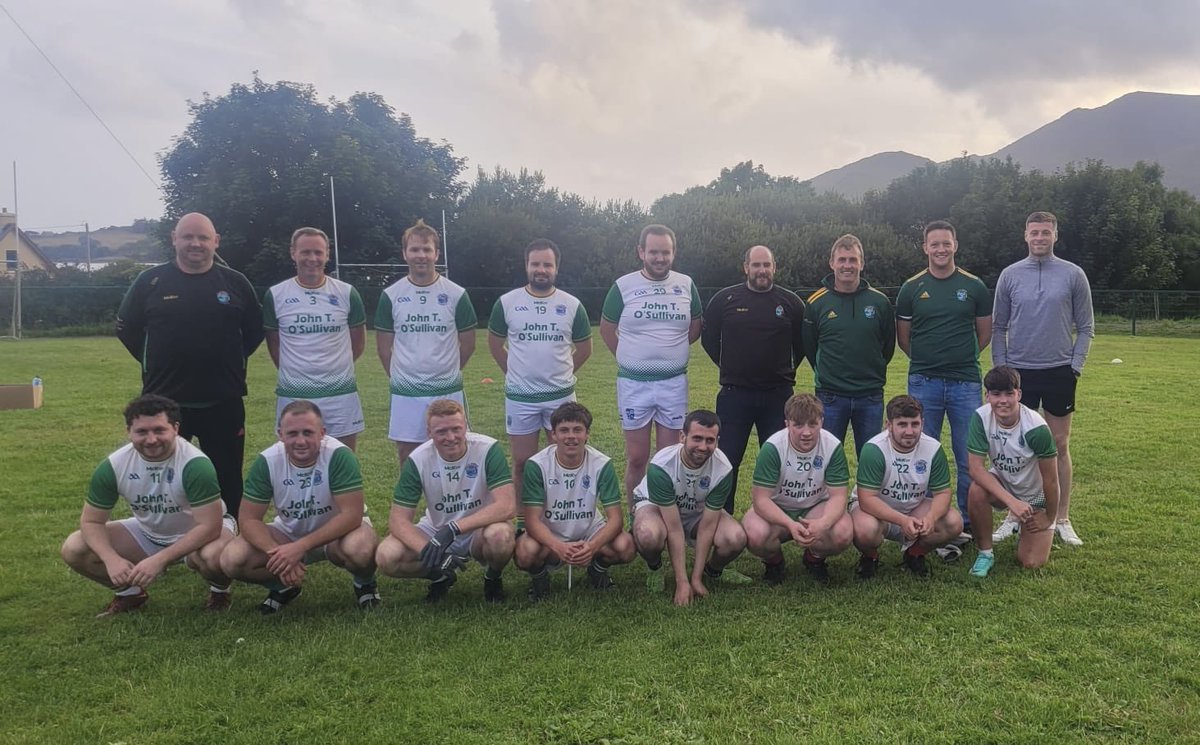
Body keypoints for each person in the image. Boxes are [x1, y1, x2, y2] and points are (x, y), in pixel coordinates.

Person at [116, 212, 264, 517]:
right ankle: (162, 534)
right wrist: (155, 363)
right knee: (162, 475)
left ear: (216, 242)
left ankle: (231, 534)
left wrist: (228, 360)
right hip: (164, 402)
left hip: (223, 400)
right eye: (187, 237)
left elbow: (254, 331)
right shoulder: (151, 281)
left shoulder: (235, 283)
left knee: (227, 475)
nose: (195, 244)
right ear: (174, 238)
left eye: (203, 238)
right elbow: (126, 329)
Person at [60, 395, 236, 616]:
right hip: (150, 533)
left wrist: (159, 560)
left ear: (176, 429)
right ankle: (130, 594)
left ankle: (220, 590)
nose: (151, 439)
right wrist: (111, 559)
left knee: (214, 556)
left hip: (202, 534)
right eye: (142, 432)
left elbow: (210, 526)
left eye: (159, 430)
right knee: (75, 547)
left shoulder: (195, 465)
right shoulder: (114, 465)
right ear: (128, 431)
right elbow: (91, 521)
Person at [992, 210, 1093, 546]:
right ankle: (1012, 513)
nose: (1039, 238)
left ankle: (1062, 517)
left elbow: (1087, 326)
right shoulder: (1009, 275)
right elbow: (998, 326)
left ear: (1055, 235)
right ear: (1025, 235)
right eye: (1034, 233)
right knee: (1016, 447)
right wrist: (1002, 371)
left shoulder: (1073, 274)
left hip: (1059, 371)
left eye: (1045, 233)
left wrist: (1074, 366)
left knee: (1058, 445)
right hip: (1019, 372)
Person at [220, 401, 380, 614]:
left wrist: (300, 547)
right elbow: (248, 519)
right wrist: (277, 553)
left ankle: (365, 582)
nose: (301, 441)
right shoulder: (267, 461)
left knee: (360, 548)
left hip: (338, 534)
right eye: (292, 433)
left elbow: (352, 515)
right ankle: (283, 587)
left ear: (322, 433)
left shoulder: (338, 455)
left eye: (308, 432)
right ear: (280, 434)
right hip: (288, 534)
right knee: (232, 559)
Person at [896, 220, 991, 540]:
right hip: (924, 382)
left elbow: (984, 332)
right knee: (921, 454)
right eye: (934, 244)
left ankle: (964, 524)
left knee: (969, 457)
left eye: (945, 243)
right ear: (925, 247)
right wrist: (929, 361)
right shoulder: (911, 288)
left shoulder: (974, 286)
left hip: (965, 382)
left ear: (955, 245)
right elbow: (904, 339)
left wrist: (959, 357)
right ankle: (925, 522)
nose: (940, 249)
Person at [599, 224, 703, 514]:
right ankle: (637, 515)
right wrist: (630, 358)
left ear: (674, 253)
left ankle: (666, 516)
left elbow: (694, 328)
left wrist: (669, 352)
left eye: (665, 252)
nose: (660, 258)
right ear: (641, 252)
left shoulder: (686, 284)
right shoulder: (623, 286)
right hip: (634, 385)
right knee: (636, 457)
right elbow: (607, 329)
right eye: (654, 252)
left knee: (668, 457)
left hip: (672, 383)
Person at [375, 399, 516, 603]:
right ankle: (440, 576)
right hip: (435, 530)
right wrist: (428, 549)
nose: (451, 437)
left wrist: (453, 528)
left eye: (456, 429)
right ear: (429, 432)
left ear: (466, 426)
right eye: (441, 432)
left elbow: (507, 505)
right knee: (387, 556)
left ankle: (492, 577)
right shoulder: (417, 460)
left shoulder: (487, 449)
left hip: (479, 528)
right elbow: (398, 521)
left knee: (500, 535)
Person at [701, 245, 806, 513]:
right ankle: (722, 520)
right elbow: (709, 339)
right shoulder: (724, 300)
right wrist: (729, 366)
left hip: (778, 395)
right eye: (756, 265)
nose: (762, 271)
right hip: (735, 395)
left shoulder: (791, 303)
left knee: (777, 459)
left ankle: (775, 520)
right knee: (727, 460)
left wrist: (785, 371)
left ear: (774, 267)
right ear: (745, 267)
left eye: (766, 265)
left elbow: (802, 344)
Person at [488, 239, 592, 502]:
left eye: (547, 264)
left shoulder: (571, 305)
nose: (541, 269)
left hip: (561, 398)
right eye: (536, 264)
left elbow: (584, 349)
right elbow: (495, 344)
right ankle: (524, 522)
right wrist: (515, 374)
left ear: (556, 267)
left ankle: (560, 515)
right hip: (521, 399)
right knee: (523, 462)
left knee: (565, 458)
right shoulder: (507, 302)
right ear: (527, 265)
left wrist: (561, 375)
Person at [375, 219, 477, 467]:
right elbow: (383, 348)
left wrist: (445, 371)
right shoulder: (391, 295)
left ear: (436, 253)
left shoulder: (456, 294)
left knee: (453, 453)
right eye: (415, 249)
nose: (421, 255)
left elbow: (469, 344)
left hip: (446, 388)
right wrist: (402, 377)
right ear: (405, 253)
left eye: (426, 249)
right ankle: (412, 506)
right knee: (408, 457)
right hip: (406, 392)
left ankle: (447, 506)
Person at [515, 402, 635, 600]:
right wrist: (559, 547)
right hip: (551, 533)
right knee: (525, 552)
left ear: (587, 434)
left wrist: (593, 546)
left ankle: (597, 570)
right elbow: (532, 521)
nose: (571, 436)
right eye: (564, 430)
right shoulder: (537, 465)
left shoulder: (602, 464)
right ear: (553, 434)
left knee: (626, 546)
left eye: (577, 430)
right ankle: (539, 577)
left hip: (589, 531)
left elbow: (615, 520)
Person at [631, 410, 749, 606]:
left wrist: (695, 579)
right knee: (648, 535)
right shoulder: (662, 466)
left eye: (710, 440)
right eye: (697, 438)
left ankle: (711, 572)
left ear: (717, 441)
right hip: (657, 508)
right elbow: (674, 528)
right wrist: (682, 582)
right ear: (682, 437)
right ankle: (654, 566)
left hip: (696, 511)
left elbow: (708, 527)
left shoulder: (724, 468)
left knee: (735, 538)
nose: (703, 447)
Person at [263, 228, 367, 450]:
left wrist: (333, 370)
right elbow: (275, 346)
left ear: (328, 254)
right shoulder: (276, 295)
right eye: (305, 252)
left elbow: (357, 344)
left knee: (343, 462)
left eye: (318, 253)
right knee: (296, 460)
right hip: (294, 395)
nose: (312, 259)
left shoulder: (347, 293)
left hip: (340, 394)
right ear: (293, 253)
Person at [743, 393, 853, 585]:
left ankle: (814, 559)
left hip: (815, 506)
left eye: (813, 424)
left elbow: (838, 496)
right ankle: (774, 562)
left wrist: (824, 523)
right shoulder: (773, 447)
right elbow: (761, 500)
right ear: (787, 424)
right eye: (798, 425)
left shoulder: (832, 445)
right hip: (779, 507)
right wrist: (790, 524)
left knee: (842, 532)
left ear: (822, 422)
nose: (806, 432)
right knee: (755, 533)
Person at [803, 234, 895, 458]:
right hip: (830, 396)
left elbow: (888, 347)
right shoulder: (816, 303)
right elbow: (809, 347)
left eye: (853, 260)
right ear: (832, 263)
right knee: (826, 461)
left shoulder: (880, 302)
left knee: (871, 461)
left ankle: (864, 496)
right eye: (842, 260)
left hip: (870, 396)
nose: (847, 265)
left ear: (861, 263)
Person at [851, 395, 963, 578]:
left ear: (922, 423)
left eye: (915, 424)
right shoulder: (874, 449)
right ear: (889, 425)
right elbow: (867, 499)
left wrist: (931, 517)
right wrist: (902, 521)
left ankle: (914, 554)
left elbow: (942, 492)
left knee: (953, 522)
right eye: (902, 424)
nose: (910, 431)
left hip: (913, 507)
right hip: (876, 510)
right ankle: (869, 556)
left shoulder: (933, 448)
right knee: (865, 530)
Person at [966, 366, 1060, 578]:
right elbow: (975, 468)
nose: (1003, 400)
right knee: (976, 490)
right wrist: (1012, 502)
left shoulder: (1036, 428)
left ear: (1019, 394)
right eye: (996, 394)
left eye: (1009, 393)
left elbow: (1052, 480)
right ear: (987, 395)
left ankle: (1030, 527)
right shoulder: (980, 418)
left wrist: (1049, 516)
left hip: (1036, 496)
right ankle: (985, 553)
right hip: (1005, 486)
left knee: (1031, 562)